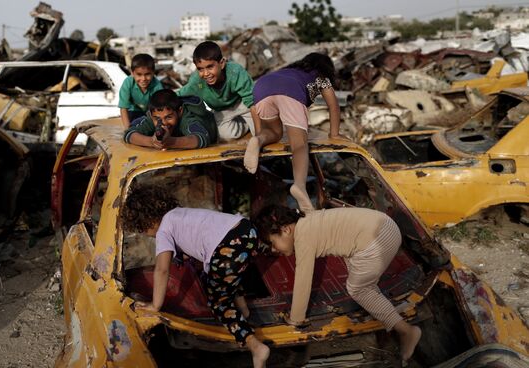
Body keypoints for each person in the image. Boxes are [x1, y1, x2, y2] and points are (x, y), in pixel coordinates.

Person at [121, 185, 271, 368]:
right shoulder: (179, 213)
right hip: (246, 231)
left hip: (227, 248)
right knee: (225, 274)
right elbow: (195, 239)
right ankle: (244, 311)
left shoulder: (163, 230)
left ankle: (255, 347)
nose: (149, 236)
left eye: (143, 232)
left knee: (218, 303)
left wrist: (155, 305)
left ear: (145, 223)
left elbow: (162, 269)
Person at [254, 204, 422, 364]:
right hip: (385, 227)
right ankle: (381, 309)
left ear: (285, 230)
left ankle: (407, 331)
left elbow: (303, 280)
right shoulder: (308, 219)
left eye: (272, 243)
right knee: (359, 277)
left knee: (357, 289)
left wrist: (295, 319)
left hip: (376, 239)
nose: (274, 250)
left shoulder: (303, 238)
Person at [244, 52, 345, 209]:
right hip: (290, 91)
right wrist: (334, 134)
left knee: (275, 132)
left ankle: (258, 140)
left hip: (262, 87)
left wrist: (257, 131)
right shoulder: (322, 77)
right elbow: (333, 105)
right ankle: (299, 185)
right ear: (326, 68)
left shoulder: (288, 70)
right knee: (299, 145)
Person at [178, 41, 260, 141]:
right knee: (225, 136)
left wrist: (258, 136)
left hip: (243, 103)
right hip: (221, 110)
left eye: (210, 67)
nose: (206, 73)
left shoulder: (235, 72)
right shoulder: (196, 82)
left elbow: (252, 102)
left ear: (221, 63)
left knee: (260, 128)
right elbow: (179, 95)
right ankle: (245, 125)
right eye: (200, 69)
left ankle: (250, 123)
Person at [123, 89, 217, 150]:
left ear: (179, 111)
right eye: (158, 119)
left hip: (216, 127)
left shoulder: (187, 117)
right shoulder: (153, 116)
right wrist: (152, 141)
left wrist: (171, 142)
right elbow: (129, 133)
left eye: (169, 117)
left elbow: (202, 138)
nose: (163, 123)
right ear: (151, 115)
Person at [119, 53, 165, 128]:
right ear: (132, 73)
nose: (143, 79)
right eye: (139, 74)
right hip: (132, 112)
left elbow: (160, 109)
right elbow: (123, 108)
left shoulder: (157, 86)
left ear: (153, 73)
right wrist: (128, 129)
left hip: (149, 112)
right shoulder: (128, 83)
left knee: (149, 126)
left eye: (147, 74)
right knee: (134, 125)